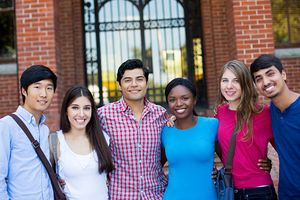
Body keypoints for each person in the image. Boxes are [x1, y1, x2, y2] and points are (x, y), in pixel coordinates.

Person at [97, 59, 169, 199]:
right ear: (119, 85)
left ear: (147, 83)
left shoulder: (160, 114)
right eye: (128, 80)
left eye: (139, 79)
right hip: (120, 195)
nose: (134, 84)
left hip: (155, 195)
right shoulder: (103, 115)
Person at [215, 60, 277, 200]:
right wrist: (175, 120)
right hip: (230, 190)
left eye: (236, 81)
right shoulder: (219, 113)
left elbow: (286, 150)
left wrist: (267, 161)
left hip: (259, 191)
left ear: (245, 83)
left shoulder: (264, 113)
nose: (229, 86)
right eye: (225, 80)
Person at [0, 65, 57, 200]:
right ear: (24, 91)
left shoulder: (44, 130)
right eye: (37, 87)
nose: (44, 94)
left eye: (49, 88)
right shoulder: (6, 126)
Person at [50, 85, 113, 200]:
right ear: (66, 110)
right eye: (75, 108)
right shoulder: (55, 141)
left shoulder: (103, 138)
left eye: (87, 108)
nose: (81, 114)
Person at [250, 54, 300, 199]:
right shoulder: (270, 111)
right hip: (287, 194)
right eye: (258, 78)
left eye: (270, 74)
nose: (265, 82)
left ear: (283, 74)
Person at [162, 78, 218, 199]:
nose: (178, 103)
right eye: (172, 100)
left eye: (185, 98)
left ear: (194, 100)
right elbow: (154, 167)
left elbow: (230, 160)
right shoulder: (165, 131)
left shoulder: (212, 125)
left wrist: (219, 173)